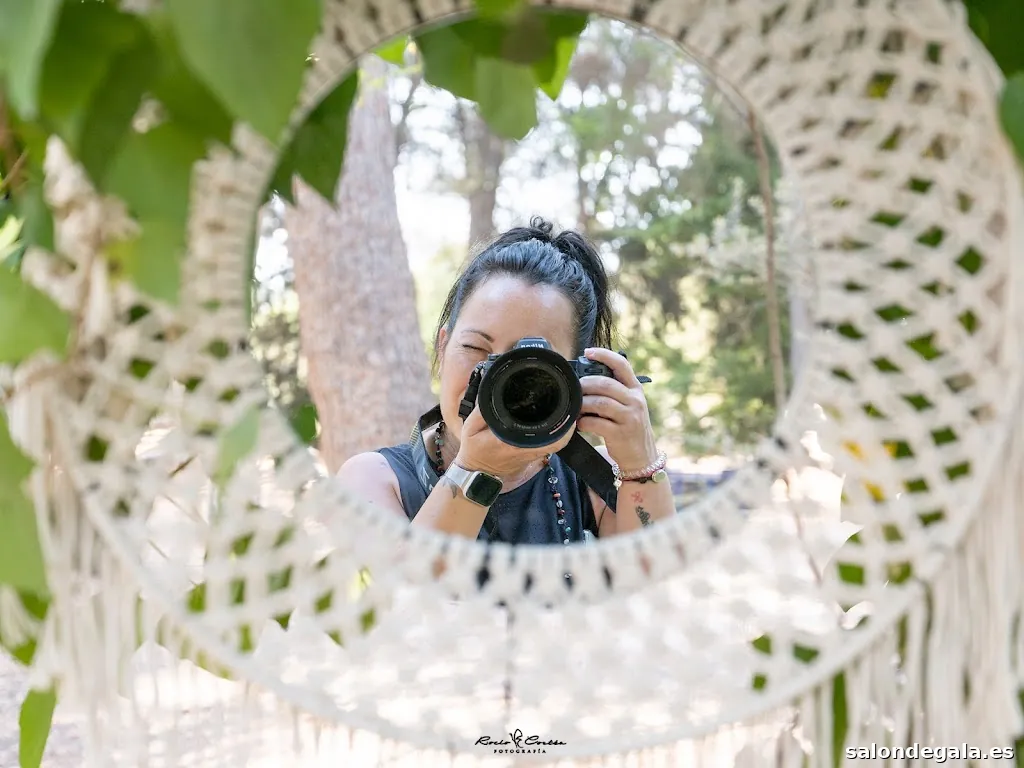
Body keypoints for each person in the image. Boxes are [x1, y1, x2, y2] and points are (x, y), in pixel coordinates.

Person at [337, 218, 676, 545]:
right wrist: (478, 470)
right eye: (475, 348)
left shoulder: (599, 481)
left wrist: (641, 465)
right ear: (443, 346)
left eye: (527, 364)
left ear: (575, 376)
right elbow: (407, 598)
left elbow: (654, 588)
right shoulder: (373, 481)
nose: (494, 380)